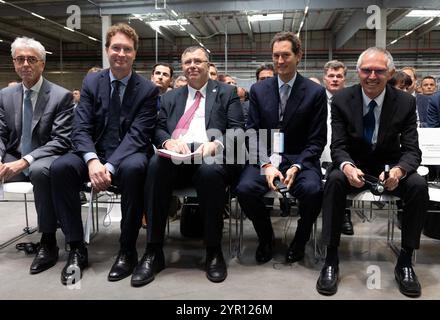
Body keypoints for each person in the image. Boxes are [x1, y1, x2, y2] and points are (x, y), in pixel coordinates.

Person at [50, 23, 159, 285]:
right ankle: (76, 248)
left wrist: (108, 167)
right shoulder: (91, 81)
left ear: (135, 54)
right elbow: (81, 127)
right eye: (116, 48)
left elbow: (137, 135)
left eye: (127, 49)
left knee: (135, 169)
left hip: (127, 153)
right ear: (107, 50)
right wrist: (92, 160)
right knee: (60, 168)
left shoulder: (147, 90)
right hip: (93, 152)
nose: (121, 53)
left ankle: (127, 250)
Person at [316, 47, 428, 298]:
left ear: (389, 73)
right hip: (353, 165)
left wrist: (399, 172)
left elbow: (412, 151)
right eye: (366, 70)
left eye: (379, 70)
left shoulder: (406, 102)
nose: (372, 76)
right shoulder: (343, 99)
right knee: (333, 180)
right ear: (358, 72)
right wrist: (347, 166)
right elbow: (338, 146)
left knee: (419, 186)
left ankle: (406, 261)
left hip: (389, 169)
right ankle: (331, 259)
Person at [130, 45, 244, 287]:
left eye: (198, 61)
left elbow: (237, 130)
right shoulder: (171, 97)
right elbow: (158, 128)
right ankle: (153, 251)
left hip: (211, 155)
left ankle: (213, 250)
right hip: (179, 156)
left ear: (208, 64)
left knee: (209, 172)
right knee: (155, 166)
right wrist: (167, 141)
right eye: (187, 62)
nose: (192, 65)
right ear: (182, 67)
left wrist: (218, 144)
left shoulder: (227, 92)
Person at [236, 31, 327, 264]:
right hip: (265, 156)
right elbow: (252, 132)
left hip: (300, 158)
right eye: (276, 55)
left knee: (314, 191)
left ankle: (300, 239)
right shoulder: (259, 90)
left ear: (299, 56)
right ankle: (266, 237)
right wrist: (265, 164)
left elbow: (317, 139)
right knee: (245, 189)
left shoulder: (315, 92)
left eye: (285, 55)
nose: (279, 61)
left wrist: (297, 165)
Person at [0, 37, 74, 275]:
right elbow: (0, 133)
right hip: (14, 155)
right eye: (20, 59)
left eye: (31, 59)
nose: (25, 64)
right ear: (13, 63)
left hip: (44, 155)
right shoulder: (5, 95)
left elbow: (61, 140)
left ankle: (48, 241)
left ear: (42, 64)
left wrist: (26, 161)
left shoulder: (60, 96)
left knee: (41, 172)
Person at [321, 60, 354, 236]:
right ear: (324, 78)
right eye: (331, 76)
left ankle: (345, 216)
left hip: (344, 149)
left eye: (339, 76)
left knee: (344, 176)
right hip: (321, 148)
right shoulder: (315, 98)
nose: (335, 79)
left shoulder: (352, 100)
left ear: (344, 79)